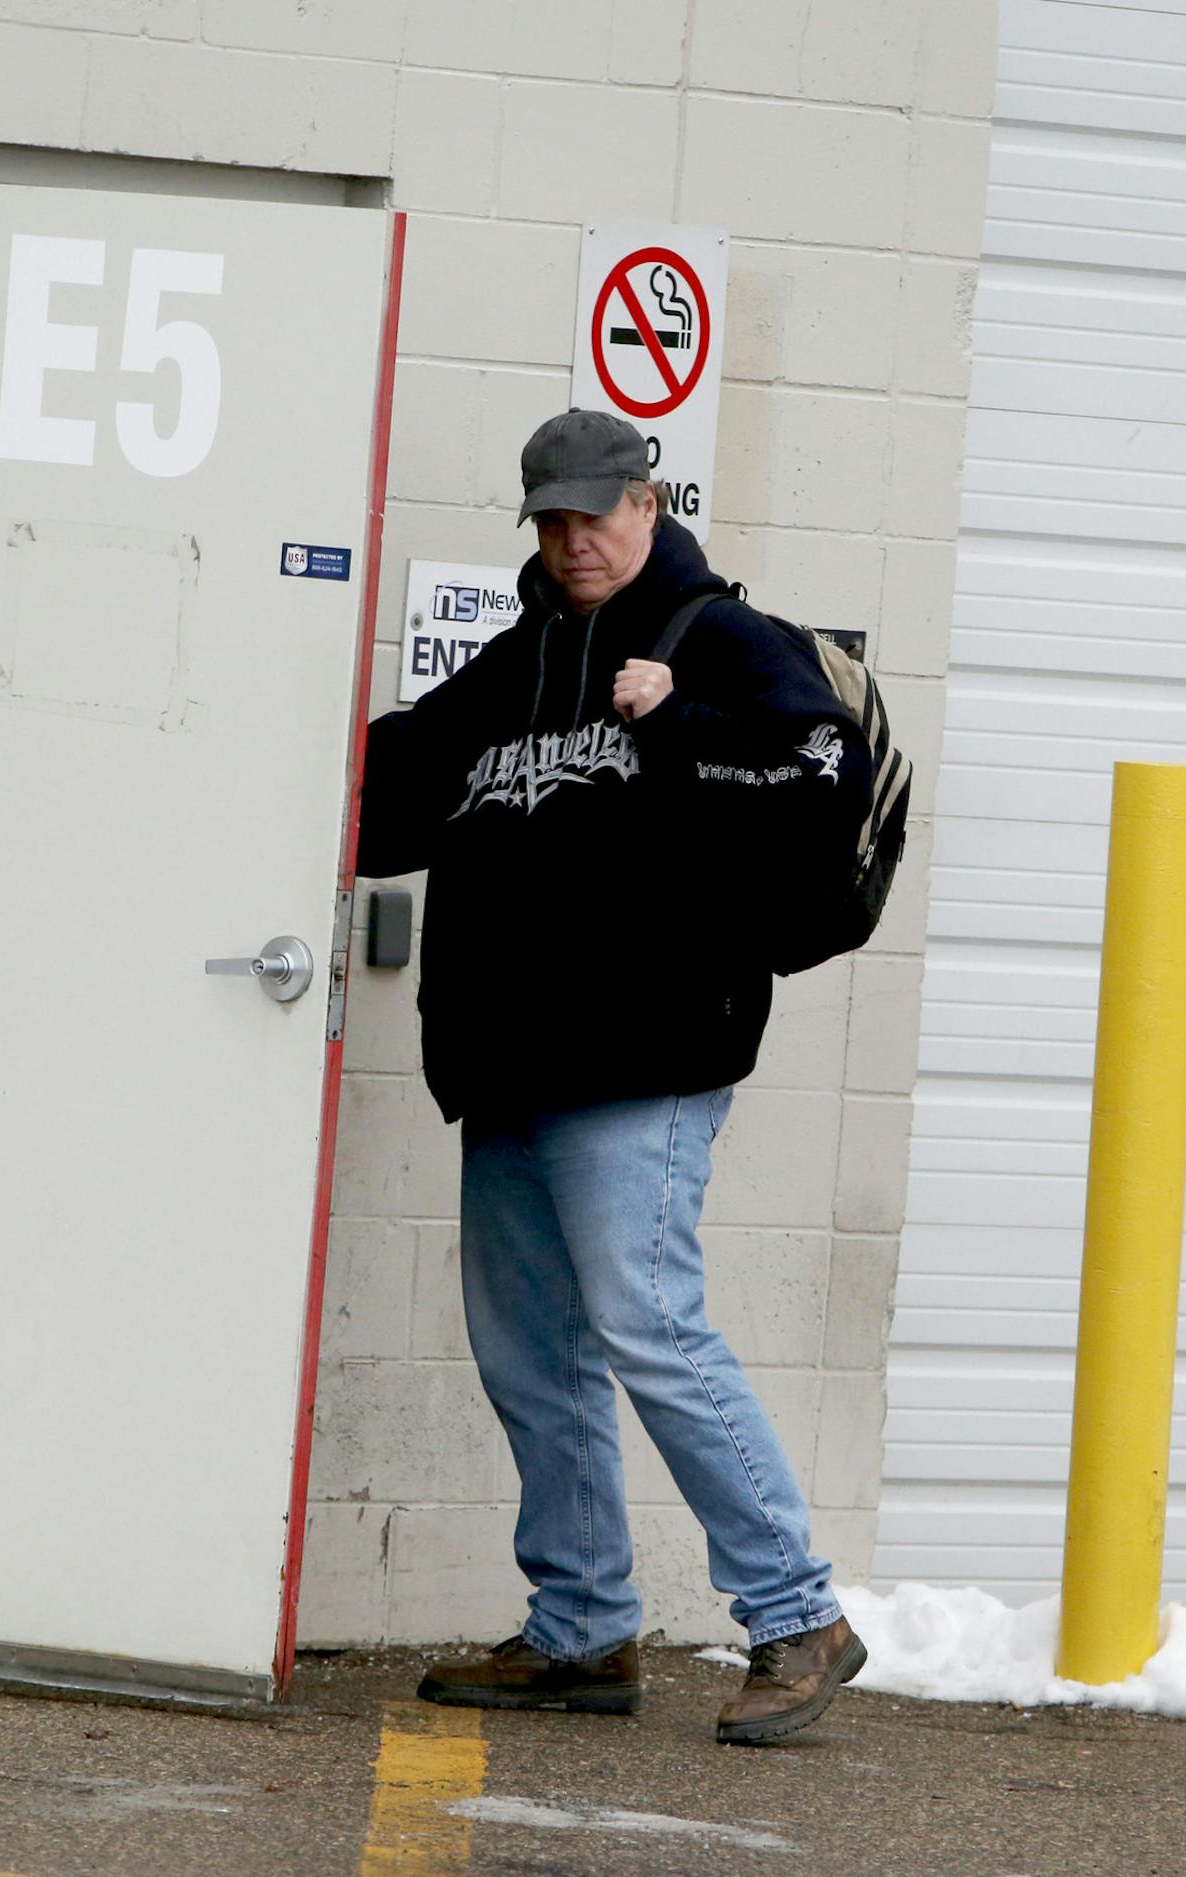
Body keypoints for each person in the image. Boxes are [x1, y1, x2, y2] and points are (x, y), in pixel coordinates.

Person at [356, 408, 871, 1746]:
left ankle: (796, 1612)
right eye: (553, 520)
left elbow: (819, 776)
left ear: (648, 504)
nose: (576, 541)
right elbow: (397, 798)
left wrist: (678, 718)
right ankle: (582, 1632)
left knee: (650, 1332)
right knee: (534, 1361)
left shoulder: (717, 641)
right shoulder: (518, 661)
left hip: (645, 1063)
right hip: (512, 1067)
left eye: (597, 513)